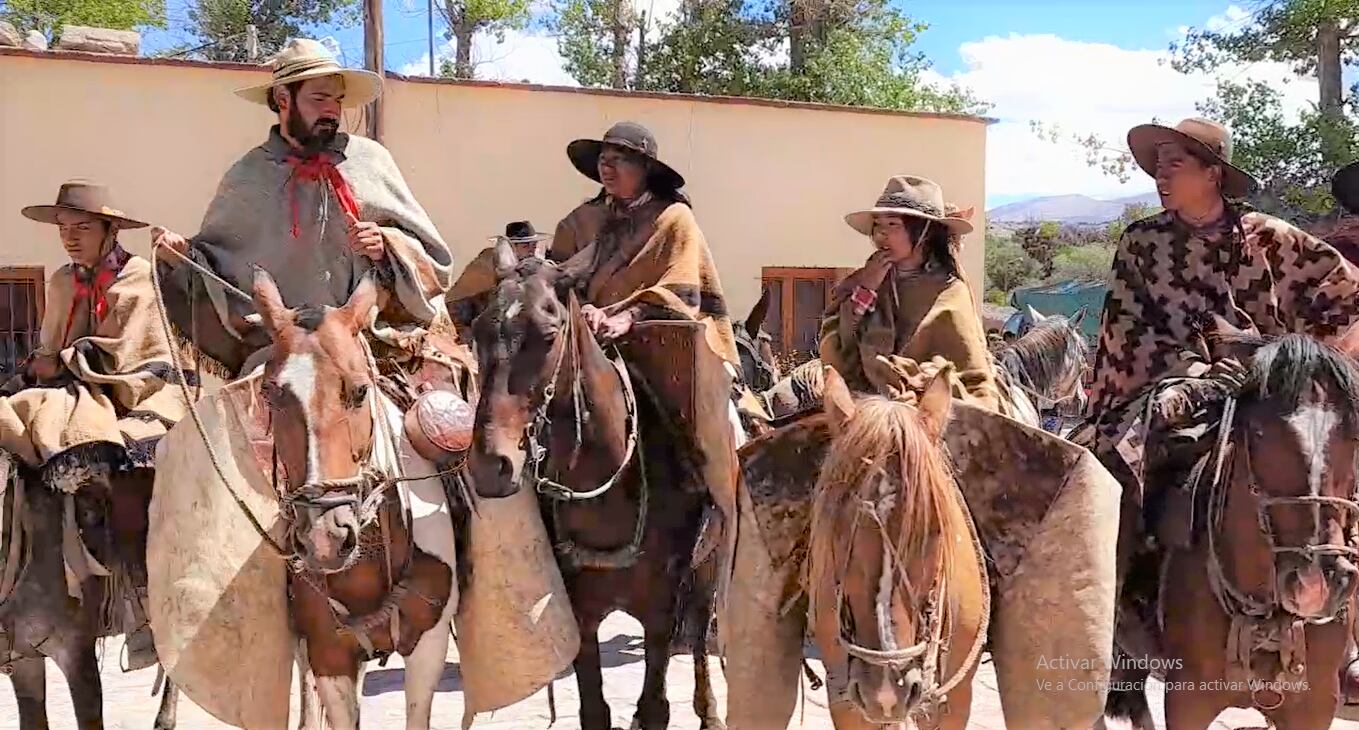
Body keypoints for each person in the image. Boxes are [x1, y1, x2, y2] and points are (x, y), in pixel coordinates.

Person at [1083, 118, 1359, 702]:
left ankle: (1348, 636)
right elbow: (1127, 332)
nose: (1160, 173)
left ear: (1213, 174)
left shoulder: (1273, 239)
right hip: (1176, 391)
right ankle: (1112, 617)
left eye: (1174, 164)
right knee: (1106, 469)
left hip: (1271, 396)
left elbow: (1346, 298)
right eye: (1157, 164)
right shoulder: (1141, 242)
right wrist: (1196, 371)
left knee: (1338, 475)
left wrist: (1300, 366)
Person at [152, 38, 456, 378]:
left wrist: (387, 244)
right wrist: (182, 257)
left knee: (440, 418)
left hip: (375, 346)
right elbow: (218, 264)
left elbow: (434, 258)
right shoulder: (249, 176)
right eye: (319, 98)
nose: (332, 110)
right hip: (282, 356)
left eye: (337, 100)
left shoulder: (369, 160)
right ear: (283, 99)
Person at [6, 180, 191, 669]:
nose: (70, 238)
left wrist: (66, 362)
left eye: (82, 228)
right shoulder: (62, 282)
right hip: (73, 394)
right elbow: (51, 349)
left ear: (110, 230)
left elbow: (137, 357)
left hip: (142, 395)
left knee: (124, 464)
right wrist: (44, 367)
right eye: (64, 229)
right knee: (18, 442)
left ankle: (141, 599)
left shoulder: (138, 277)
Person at [818, 175, 1002, 412]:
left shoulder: (951, 292)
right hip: (864, 407)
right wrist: (866, 290)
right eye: (877, 225)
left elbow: (973, 381)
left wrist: (925, 390)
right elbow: (836, 344)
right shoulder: (862, 280)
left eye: (892, 225)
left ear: (923, 232)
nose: (881, 234)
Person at [447, 220, 551, 341]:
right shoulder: (487, 262)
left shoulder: (536, 266)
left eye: (533, 245)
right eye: (525, 246)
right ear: (512, 247)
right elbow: (461, 300)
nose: (531, 250)